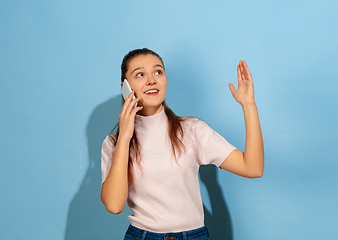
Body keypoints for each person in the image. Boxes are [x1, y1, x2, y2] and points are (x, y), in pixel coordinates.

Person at [100, 48, 264, 240]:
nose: (152, 79)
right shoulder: (113, 143)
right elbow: (114, 205)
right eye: (140, 74)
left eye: (158, 71)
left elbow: (252, 168)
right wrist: (125, 138)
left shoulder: (193, 130)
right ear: (125, 86)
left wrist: (248, 105)